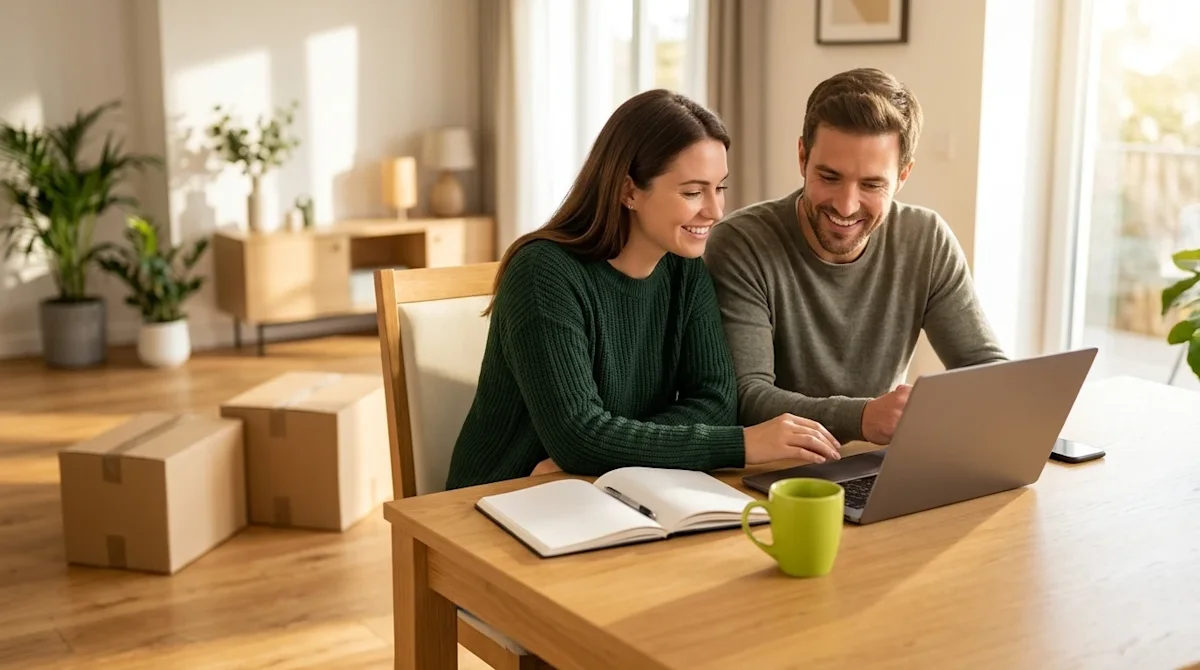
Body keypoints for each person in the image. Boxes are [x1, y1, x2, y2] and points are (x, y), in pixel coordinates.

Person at [444, 89, 841, 490]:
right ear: (629, 190)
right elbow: (579, 435)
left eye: (719, 187)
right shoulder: (543, 273)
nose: (715, 210)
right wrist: (742, 444)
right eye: (692, 192)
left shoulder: (684, 269)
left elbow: (716, 403)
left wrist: (607, 451)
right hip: (501, 497)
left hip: (602, 486)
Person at [703, 68, 1007, 447]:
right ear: (802, 157)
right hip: (782, 474)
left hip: (877, 464)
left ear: (903, 176)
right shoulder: (742, 244)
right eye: (829, 177)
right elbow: (746, 397)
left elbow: (985, 369)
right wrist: (862, 418)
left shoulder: (926, 240)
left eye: (871, 184)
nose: (846, 206)